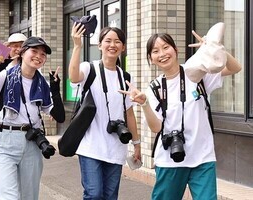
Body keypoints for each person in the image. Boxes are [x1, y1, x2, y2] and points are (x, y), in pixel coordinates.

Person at [120, 31, 241, 200]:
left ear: (175, 49)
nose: (162, 54)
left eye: (165, 47)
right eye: (155, 51)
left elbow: (235, 68)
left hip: (202, 157)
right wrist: (145, 104)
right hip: (170, 160)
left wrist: (215, 47)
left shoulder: (196, 74)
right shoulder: (154, 88)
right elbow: (156, 128)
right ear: (151, 58)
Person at [0, 36, 65, 200]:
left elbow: (59, 116)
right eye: (34, 51)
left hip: (32, 143)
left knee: (29, 197)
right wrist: (0, 65)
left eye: (43, 54)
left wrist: (55, 89)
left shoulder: (41, 84)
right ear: (23, 53)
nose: (39, 56)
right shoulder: (4, 76)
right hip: (4, 141)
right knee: (8, 197)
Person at [69, 23, 141, 200]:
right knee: (94, 194)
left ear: (123, 47)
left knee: (110, 196)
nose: (112, 45)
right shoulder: (89, 68)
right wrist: (77, 46)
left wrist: (137, 144)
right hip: (90, 146)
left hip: (116, 148)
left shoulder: (125, 78)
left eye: (117, 42)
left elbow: (129, 114)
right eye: (107, 40)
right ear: (100, 45)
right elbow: (73, 76)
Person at [0, 33, 27, 153]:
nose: (18, 49)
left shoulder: (30, 69)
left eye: (22, 46)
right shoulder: (1, 68)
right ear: (8, 48)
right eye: (14, 46)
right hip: (1, 127)